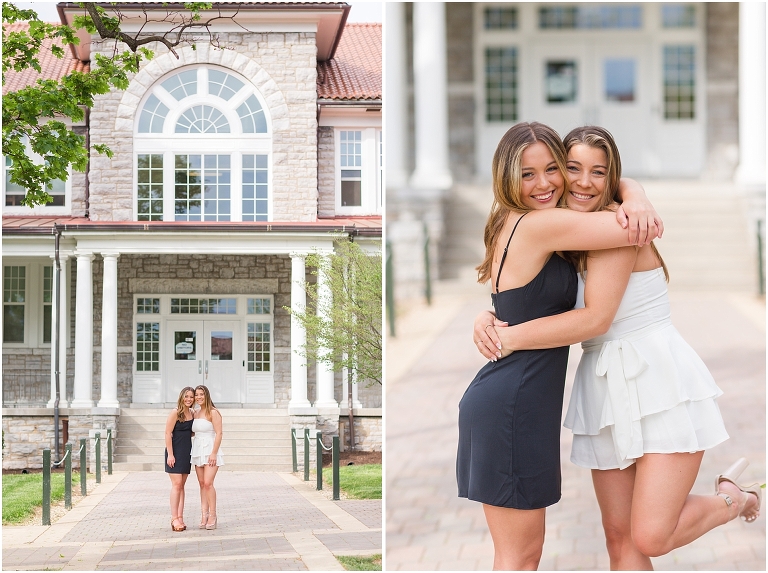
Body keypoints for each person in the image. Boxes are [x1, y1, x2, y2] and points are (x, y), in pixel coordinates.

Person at [473, 125, 762, 569]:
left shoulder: (619, 224)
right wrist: (490, 316)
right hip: (603, 386)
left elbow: (595, 317)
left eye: (598, 172)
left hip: (657, 380)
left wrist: (636, 196)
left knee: (649, 535)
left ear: (612, 177)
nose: (581, 182)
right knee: (619, 538)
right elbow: (528, 291)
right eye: (571, 169)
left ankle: (730, 500)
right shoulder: (568, 233)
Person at [457, 121, 664, 570]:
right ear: (507, 177)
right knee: (520, 556)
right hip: (514, 403)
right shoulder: (541, 224)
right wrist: (637, 196)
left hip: (514, 399)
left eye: (553, 169)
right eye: (528, 174)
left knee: (518, 555)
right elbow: (638, 229)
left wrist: (631, 186)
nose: (545, 183)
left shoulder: (507, 221)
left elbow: (515, 303)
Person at [191, 384, 224, 530]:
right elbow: (194, 431)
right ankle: (203, 515)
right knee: (201, 483)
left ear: (207, 395)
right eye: (196, 395)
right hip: (198, 449)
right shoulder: (195, 413)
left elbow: (219, 433)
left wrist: (214, 453)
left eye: (201, 394)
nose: (198, 397)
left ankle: (213, 515)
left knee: (208, 483)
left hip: (210, 449)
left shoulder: (213, 412)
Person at [165, 386, 195, 532]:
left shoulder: (193, 413)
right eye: (186, 396)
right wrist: (170, 454)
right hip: (175, 452)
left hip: (186, 452)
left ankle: (180, 517)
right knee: (176, 485)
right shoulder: (175, 412)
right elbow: (167, 433)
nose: (189, 399)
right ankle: (174, 518)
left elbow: (191, 433)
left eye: (191, 397)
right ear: (182, 397)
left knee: (182, 486)